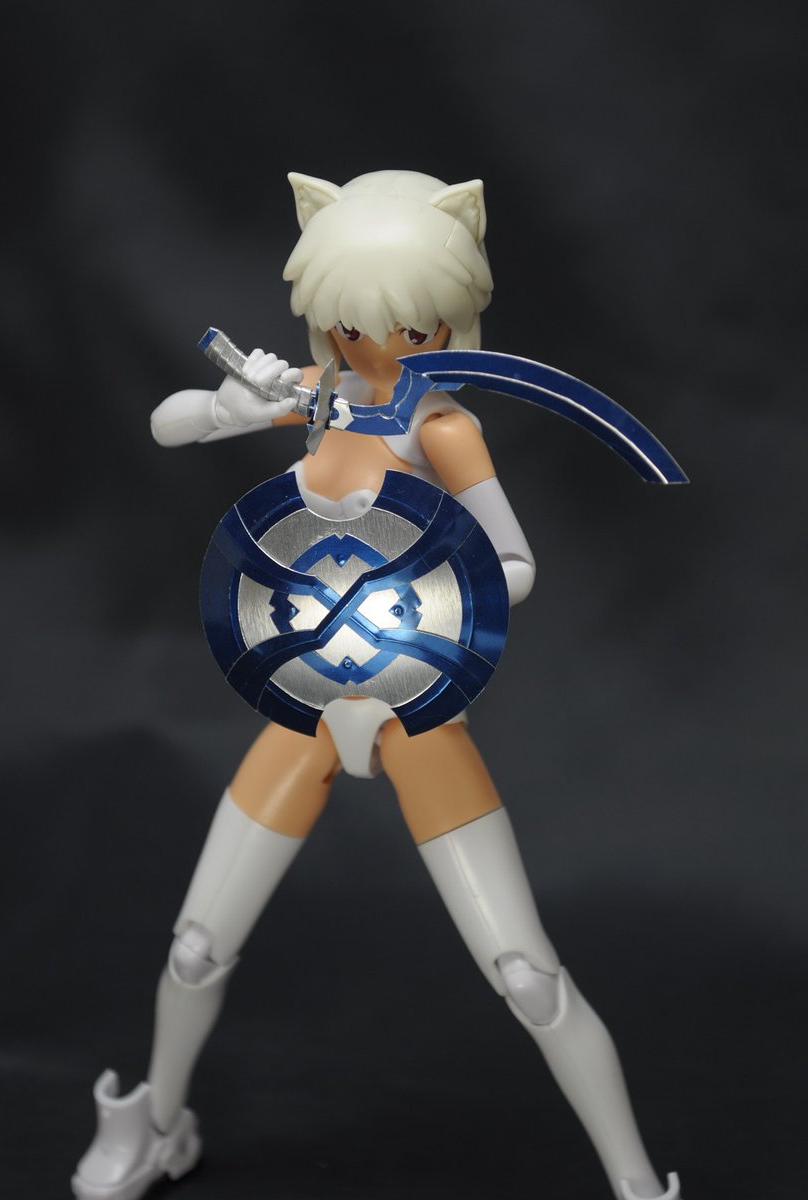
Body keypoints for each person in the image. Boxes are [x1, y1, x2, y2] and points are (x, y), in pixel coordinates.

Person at [72, 170, 680, 1200]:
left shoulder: (441, 428)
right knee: (196, 949)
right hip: (307, 703)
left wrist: (427, 584)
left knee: (528, 979)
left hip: (412, 709)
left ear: (448, 321)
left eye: (407, 327)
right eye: (354, 326)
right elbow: (167, 425)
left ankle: (634, 1185)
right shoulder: (318, 399)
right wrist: (230, 406)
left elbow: (515, 563)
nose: (378, 349)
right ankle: (157, 1124)